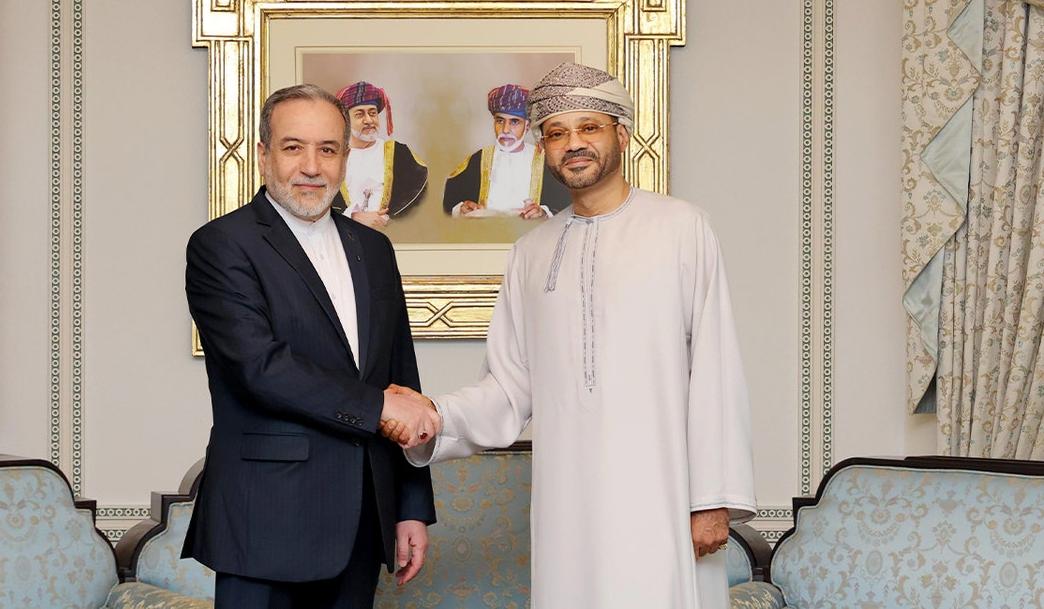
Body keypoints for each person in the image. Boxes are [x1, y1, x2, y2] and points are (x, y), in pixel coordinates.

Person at [383, 63, 756, 608]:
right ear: (544, 149)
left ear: (621, 136)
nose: (573, 143)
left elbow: (716, 368)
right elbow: (508, 387)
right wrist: (435, 415)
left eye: (589, 128)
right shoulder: (530, 253)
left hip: (665, 496)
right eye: (557, 133)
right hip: (568, 506)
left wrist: (712, 498)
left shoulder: (681, 228)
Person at [183, 83, 440, 608]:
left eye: (327, 149)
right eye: (293, 147)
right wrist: (378, 407)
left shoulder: (375, 249)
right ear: (264, 155)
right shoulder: (221, 244)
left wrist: (411, 506)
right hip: (265, 518)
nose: (311, 166)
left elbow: (401, 377)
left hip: (364, 516)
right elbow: (259, 368)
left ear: (345, 158)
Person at [442, 84, 570, 219]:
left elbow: (565, 204)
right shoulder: (478, 159)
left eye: (514, 122)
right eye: (500, 121)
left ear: (527, 126)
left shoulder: (545, 161)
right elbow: (451, 201)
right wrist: (462, 208)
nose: (506, 130)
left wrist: (543, 212)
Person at [331, 81, 429, 229]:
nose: (369, 120)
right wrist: (352, 216)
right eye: (359, 114)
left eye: (373, 113)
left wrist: (387, 220)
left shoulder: (399, 153)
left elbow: (420, 193)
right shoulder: (331, 157)